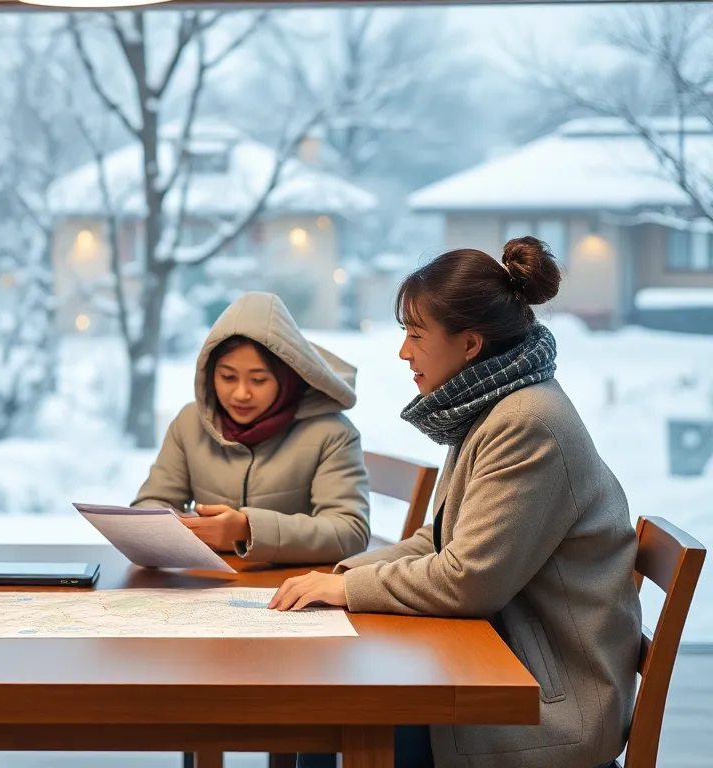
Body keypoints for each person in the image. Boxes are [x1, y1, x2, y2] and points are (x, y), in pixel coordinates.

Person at [274, 237, 641, 768]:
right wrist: (339, 577)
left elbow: (469, 579)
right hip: (500, 662)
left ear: (470, 345)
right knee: (322, 712)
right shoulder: (493, 405)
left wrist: (346, 587)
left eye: (416, 335)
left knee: (332, 718)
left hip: (547, 703)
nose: (404, 352)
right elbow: (440, 538)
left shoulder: (526, 423)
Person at [133, 292, 370, 564]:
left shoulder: (333, 434)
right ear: (209, 374)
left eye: (258, 380)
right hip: (204, 586)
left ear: (289, 377)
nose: (240, 394)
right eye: (227, 377)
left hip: (293, 590)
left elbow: (350, 531)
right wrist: (169, 525)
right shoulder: (190, 421)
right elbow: (151, 502)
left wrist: (247, 529)